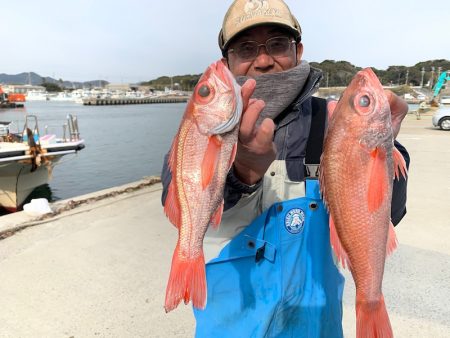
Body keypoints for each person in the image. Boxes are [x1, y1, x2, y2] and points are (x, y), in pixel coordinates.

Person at [161, 0, 409, 337]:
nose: (263, 61)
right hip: (228, 324)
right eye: (246, 48)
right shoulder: (196, 134)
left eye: (277, 44)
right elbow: (175, 207)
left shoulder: (334, 122)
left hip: (315, 324)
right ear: (227, 62)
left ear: (298, 50)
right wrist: (243, 174)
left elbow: (387, 216)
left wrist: (386, 148)